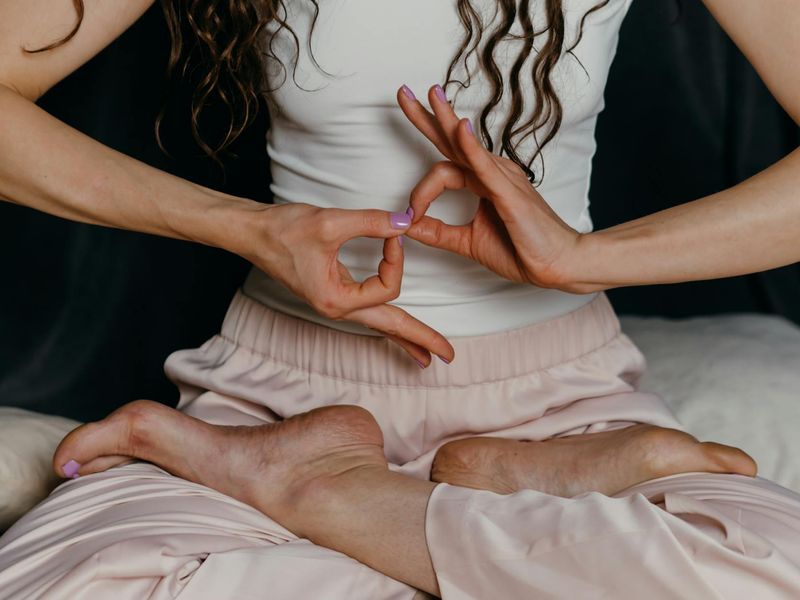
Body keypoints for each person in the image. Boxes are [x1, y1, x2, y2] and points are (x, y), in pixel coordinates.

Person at [0, 0, 798, 598]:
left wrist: (584, 257)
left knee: (770, 572)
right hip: (277, 397)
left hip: (564, 402)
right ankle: (392, 491)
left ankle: (327, 491)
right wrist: (249, 228)